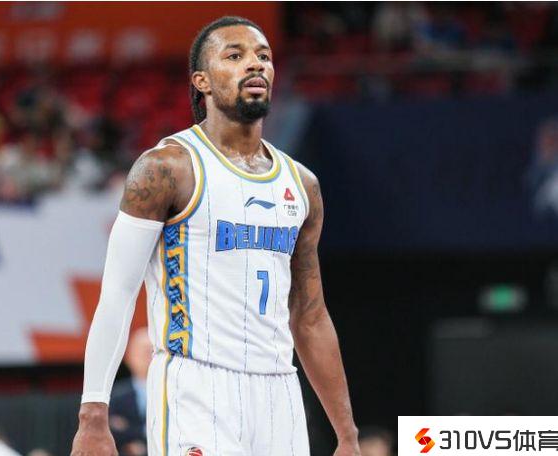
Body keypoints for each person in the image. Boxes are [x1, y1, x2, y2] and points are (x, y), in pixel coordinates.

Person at [71, 16, 359, 456]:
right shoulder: (165, 168)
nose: (255, 65)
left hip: (280, 390)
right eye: (235, 55)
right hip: (196, 385)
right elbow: (117, 296)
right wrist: (93, 414)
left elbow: (310, 316)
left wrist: (347, 434)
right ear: (201, 81)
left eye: (264, 56)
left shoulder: (302, 185)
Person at [108, 328, 152, 456]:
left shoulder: (174, 393)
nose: (147, 357)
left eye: (151, 351)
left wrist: (129, 429)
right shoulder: (115, 396)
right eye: (142, 352)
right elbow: (112, 430)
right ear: (129, 357)